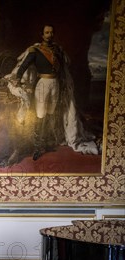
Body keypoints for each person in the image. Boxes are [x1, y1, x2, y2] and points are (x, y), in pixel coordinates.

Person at [7, 24, 98, 161]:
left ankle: (47, 142)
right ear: (42, 35)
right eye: (47, 32)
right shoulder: (35, 50)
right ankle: (38, 147)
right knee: (40, 115)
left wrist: (64, 85)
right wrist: (17, 79)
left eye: (51, 32)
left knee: (51, 113)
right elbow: (24, 66)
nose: (49, 35)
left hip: (56, 85)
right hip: (42, 85)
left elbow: (62, 69)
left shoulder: (57, 50)